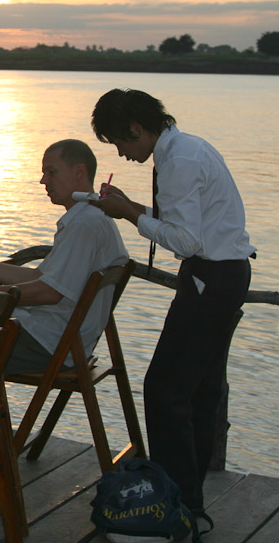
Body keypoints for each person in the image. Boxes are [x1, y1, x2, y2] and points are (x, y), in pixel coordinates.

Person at [90, 88, 254, 515]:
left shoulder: (178, 160)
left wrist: (128, 214)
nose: (122, 153)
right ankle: (187, 500)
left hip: (209, 278)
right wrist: (130, 205)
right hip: (223, 275)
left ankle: (172, 498)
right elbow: (184, 221)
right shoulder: (187, 147)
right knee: (198, 391)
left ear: (137, 128)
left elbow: (185, 239)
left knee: (164, 389)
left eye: (120, 141)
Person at [0, 139, 128, 375]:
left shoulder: (85, 225)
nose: (43, 181)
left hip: (51, 344)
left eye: (51, 173)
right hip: (60, 339)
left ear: (79, 172)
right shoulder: (91, 218)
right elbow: (39, 276)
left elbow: (49, 292)